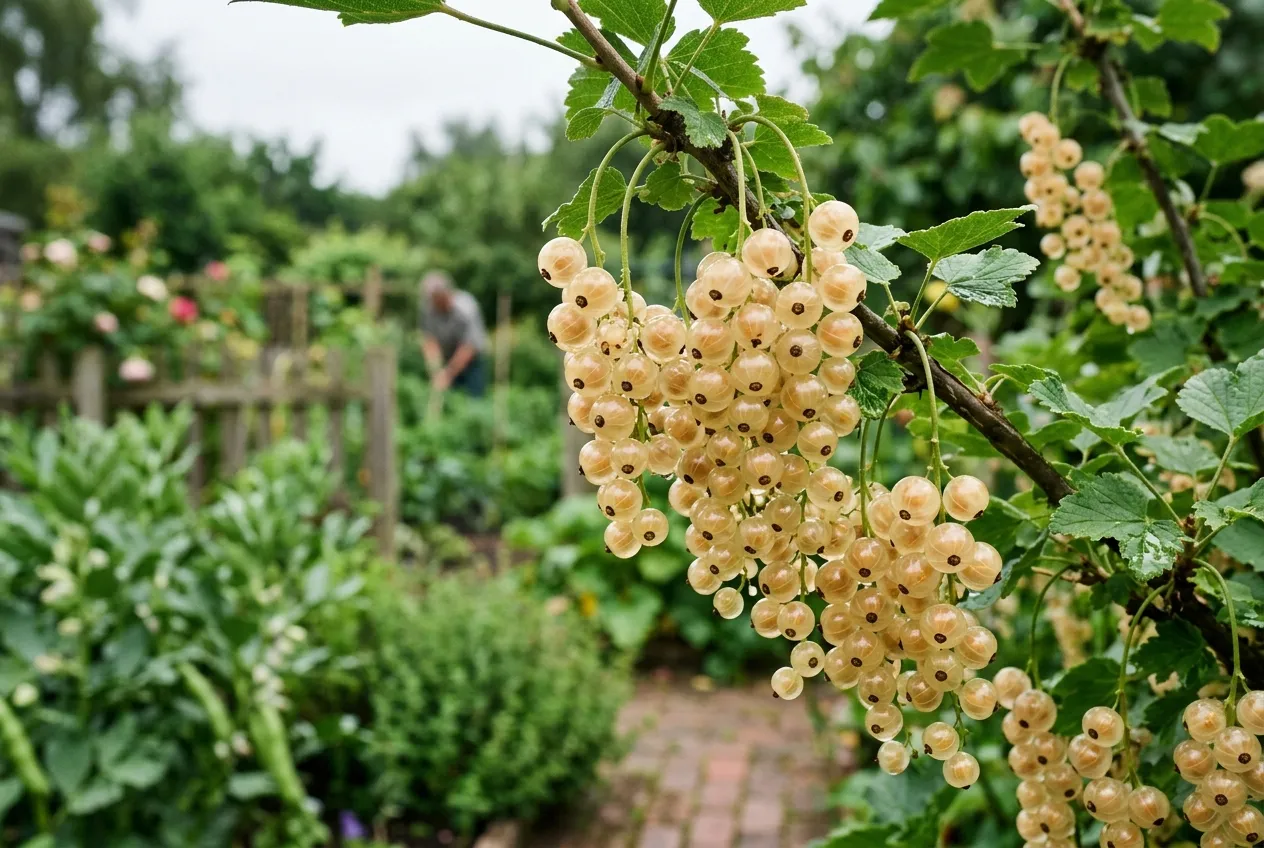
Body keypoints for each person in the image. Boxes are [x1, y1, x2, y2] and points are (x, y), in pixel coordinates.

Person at [419, 271, 488, 396]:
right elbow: (429, 341)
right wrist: (435, 370)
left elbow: (469, 347)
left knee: (473, 400)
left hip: (471, 361)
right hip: (447, 359)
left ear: (445, 294)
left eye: (435, 298)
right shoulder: (429, 309)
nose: (432, 302)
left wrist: (448, 374)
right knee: (449, 399)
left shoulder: (466, 308)